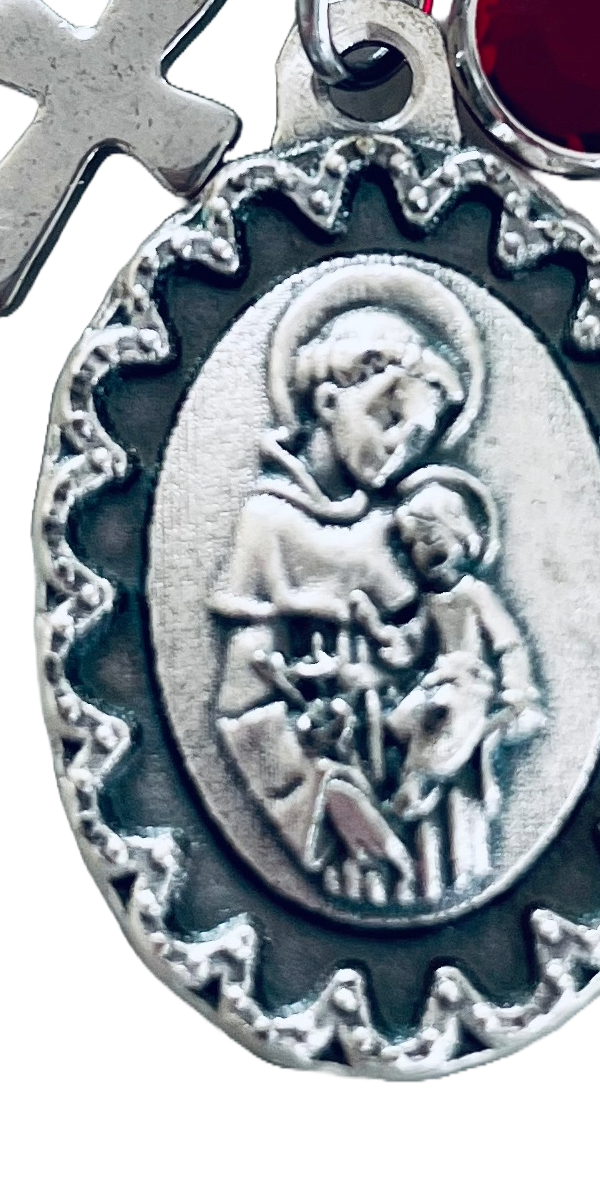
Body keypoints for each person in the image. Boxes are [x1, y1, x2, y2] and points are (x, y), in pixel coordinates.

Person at [210, 298, 468, 904]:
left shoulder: (398, 531)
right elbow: (242, 710)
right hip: (323, 818)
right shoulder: (268, 526)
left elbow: (430, 657)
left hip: (413, 800)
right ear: (328, 403)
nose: (400, 447)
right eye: (389, 418)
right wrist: (330, 795)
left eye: (419, 437)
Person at [366, 477, 545, 900]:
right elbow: (412, 648)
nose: (423, 552)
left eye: (431, 538)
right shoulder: (431, 602)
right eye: (414, 544)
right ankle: (417, 816)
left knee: (442, 715)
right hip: (441, 682)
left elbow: (509, 644)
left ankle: (420, 790)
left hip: (471, 689)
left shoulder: (476, 594)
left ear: (461, 534)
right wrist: (379, 632)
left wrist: (516, 691)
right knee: (401, 720)